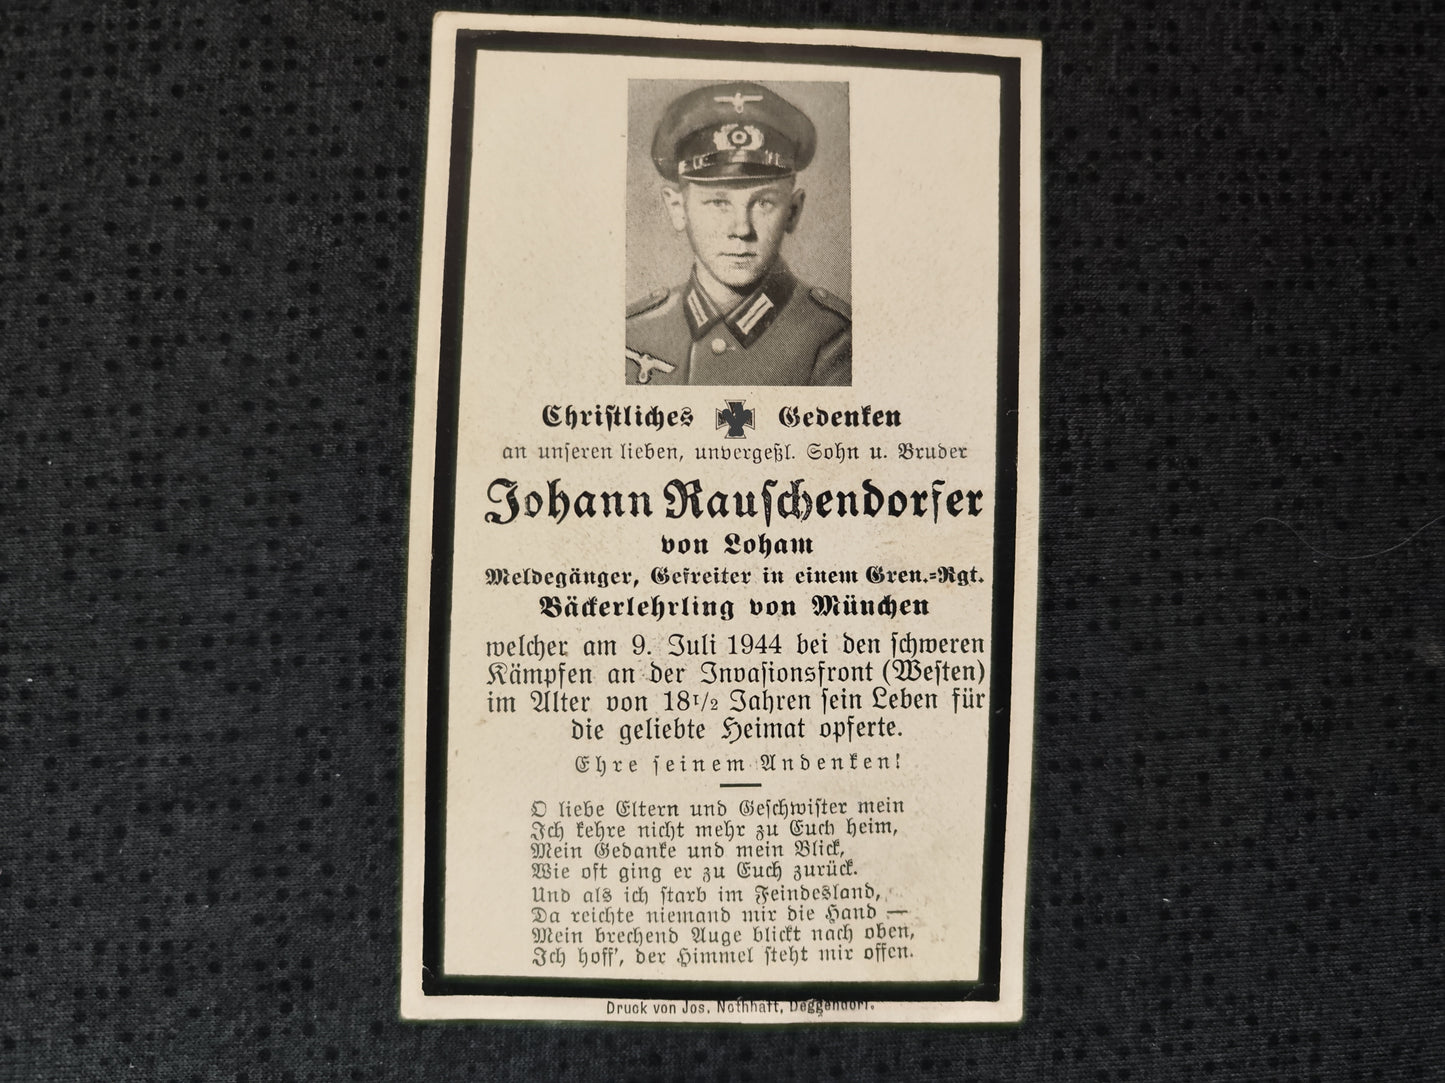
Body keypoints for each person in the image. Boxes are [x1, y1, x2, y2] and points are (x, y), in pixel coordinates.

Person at [626, 82, 851, 386]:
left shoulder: (834, 341)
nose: (741, 230)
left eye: (763, 203)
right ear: (678, 207)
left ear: (793, 211)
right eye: (718, 202)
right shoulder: (633, 333)